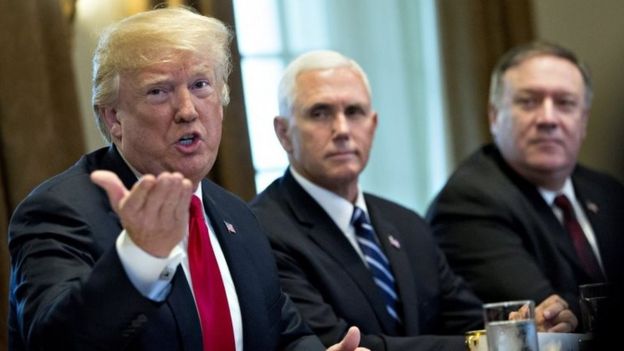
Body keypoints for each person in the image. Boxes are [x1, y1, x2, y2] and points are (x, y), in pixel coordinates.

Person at [7, 7, 368, 351]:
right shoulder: (58, 211)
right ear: (114, 117)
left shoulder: (237, 215)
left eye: (200, 85)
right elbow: (54, 342)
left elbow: (283, 333)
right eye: (158, 91)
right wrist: (140, 259)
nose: (187, 110)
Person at [250, 50, 576, 351]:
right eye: (320, 113)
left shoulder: (406, 223)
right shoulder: (263, 231)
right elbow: (340, 344)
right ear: (283, 133)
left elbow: (467, 322)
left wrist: (523, 329)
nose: (342, 129)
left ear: (373, 125)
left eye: (354, 112)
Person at [426, 41, 624, 332]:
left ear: (583, 120)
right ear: (494, 117)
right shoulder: (468, 202)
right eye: (528, 101)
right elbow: (548, 316)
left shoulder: (607, 191)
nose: (548, 118)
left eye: (565, 103)